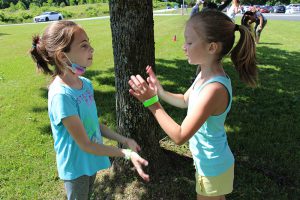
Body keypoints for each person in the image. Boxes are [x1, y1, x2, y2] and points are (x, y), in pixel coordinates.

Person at [128, 10, 257, 199]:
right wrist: (160, 92)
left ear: (212, 47)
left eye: (189, 42)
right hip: (209, 162)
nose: (183, 47)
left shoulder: (214, 89)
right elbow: (185, 100)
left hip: (213, 166)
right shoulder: (204, 74)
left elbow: (179, 136)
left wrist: (151, 103)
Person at [29, 20, 149, 200]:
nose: (91, 49)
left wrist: (123, 139)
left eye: (89, 44)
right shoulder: (61, 96)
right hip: (76, 169)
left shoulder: (85, 85)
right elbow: (85, 144)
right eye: (84, 46)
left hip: (90, 160)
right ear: (62, 57)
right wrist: (125, 153)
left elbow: (93, 124)